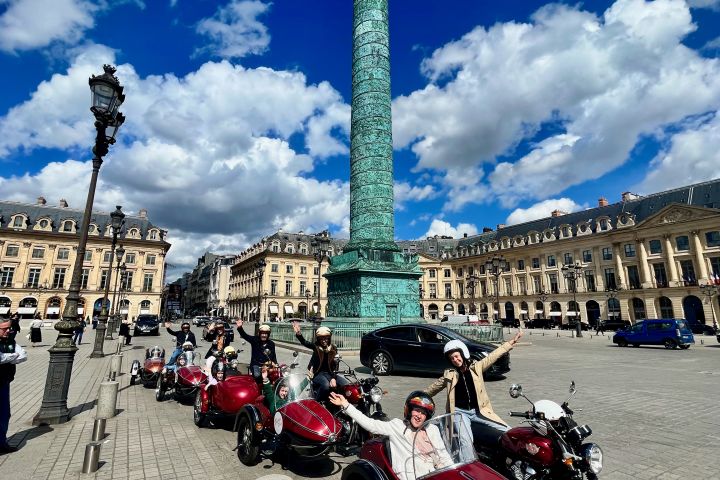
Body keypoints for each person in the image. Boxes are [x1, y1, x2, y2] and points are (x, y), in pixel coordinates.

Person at [425, 332, 523, 451]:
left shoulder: (476, 367)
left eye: (457, 356)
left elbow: (493, 356)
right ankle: (471, 467)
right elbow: (432, 388)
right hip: (459, 413)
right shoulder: (449, 375)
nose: (456, 360)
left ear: (462, 354)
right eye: (452, 359)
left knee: (507, 430)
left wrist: (511, 342)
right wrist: (417, 397)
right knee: (466, 441)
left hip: (479, 411)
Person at [329, 390, 452, 480]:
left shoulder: (432, 429)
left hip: (437, 474)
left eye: (423, 413)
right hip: (411, 476)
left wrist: (453, 470)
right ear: (408, 411)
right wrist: (346, 405)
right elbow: (369, 424)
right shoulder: (397, 426)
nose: (419, 415)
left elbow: (443, 454)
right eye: (417, 410)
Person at [292, 322, 346, 402]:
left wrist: (333, 378)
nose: (324, 341)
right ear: (318, 339)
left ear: (329, 338)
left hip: (330, 374)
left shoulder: (333, 348)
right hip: (317, 373)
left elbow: (335, 366)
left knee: (346, 384)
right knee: (325, 386)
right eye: (321, 339)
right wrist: (299, 334)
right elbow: (305, 342)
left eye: (326, 338)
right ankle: (316, 402)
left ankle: (342, 404)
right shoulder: (316, 347)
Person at [0, 319, 28, 454]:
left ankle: (1, 443)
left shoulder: (10, 340)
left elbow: (23, 356)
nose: (8, 331)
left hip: (4, 382)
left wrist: (10, 356)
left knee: (4, 414)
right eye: (4, 328)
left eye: (8, 328)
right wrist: (13, 356)